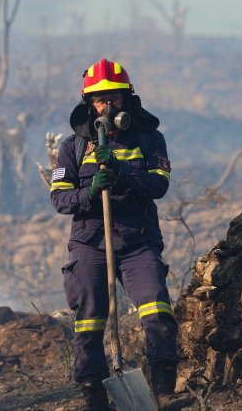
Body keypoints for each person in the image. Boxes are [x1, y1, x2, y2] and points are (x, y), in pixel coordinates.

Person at [50, 59, 193, 410]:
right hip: (90, 243)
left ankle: (162, 390)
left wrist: (122, 171)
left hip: (137, 241)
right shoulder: (71, 147)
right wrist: (87, 192)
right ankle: (94, 395)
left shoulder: (150, 138)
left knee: (157, 309)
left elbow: (159, 184)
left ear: (127, 99)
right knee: (89, 320)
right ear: (89, 104)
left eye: (113, 97)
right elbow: (59, 197)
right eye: (100, 100)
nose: (107, 105)